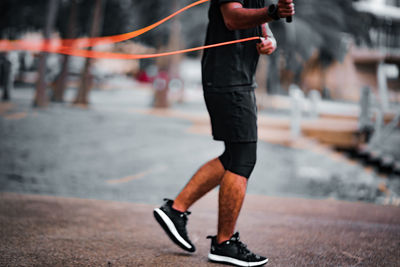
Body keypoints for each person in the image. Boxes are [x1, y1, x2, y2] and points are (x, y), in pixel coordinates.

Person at [154, 0, 295, 266]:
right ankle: (223, 243)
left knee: (233, 157)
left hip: (238, 79)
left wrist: (269, 38)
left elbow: (260, 23)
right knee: (243, 159)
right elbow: (232, 17)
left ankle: (175, 210)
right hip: (227, 80)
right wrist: (274, 12)